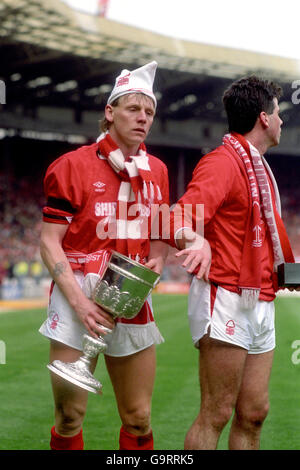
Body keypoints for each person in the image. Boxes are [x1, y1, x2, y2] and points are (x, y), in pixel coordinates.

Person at [39, 61, 170, 450]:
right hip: (77, 290)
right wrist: (80, 304)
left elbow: (160, 229)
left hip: (131, 295)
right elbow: (49, 241)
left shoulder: (158, 170)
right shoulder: (71, 166)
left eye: (149, 112)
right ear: (110, 112)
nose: (142, 118)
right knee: (68, 417)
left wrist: (160, 259)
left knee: (139, 417)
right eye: (133, 108)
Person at [172, 75, 295, 450]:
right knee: (217, 413)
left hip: (262, 298)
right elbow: (175, 217)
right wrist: (196, 240)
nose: (282, 121)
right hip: (225, 296)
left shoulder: (258, 167)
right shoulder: (222, 163)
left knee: (254, 412)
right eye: (278, 113)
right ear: (263, 117)